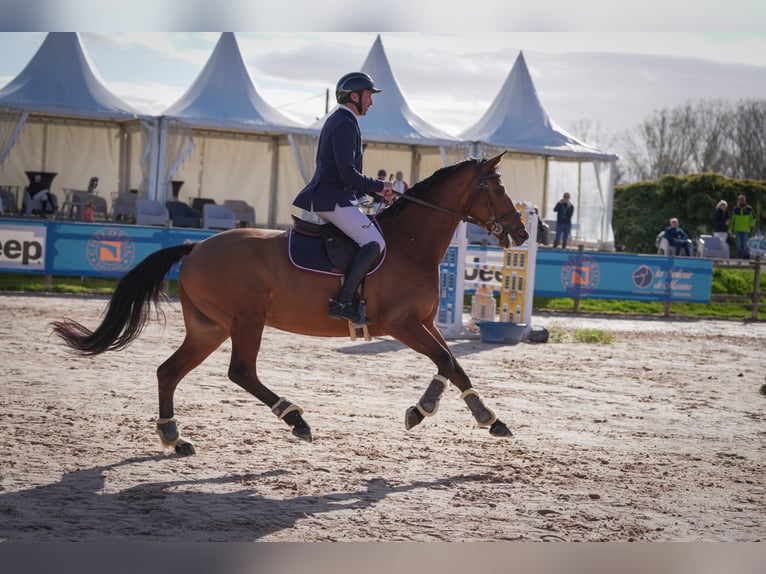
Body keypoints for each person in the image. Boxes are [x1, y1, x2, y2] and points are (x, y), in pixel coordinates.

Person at [293, 71, 394, 324]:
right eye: (369, 96)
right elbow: (347, 174)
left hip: (334, 197)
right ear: (354, 96)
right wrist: (380, 185)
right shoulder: (344, 123)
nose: (371, 102)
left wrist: (377, 189)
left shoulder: (343, 121)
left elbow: (348, 174)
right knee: (374, 242)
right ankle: (343, 301)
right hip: (332, 200)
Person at [729, 194, 756, 259]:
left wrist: (750, 225)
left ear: (745, 201)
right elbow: (732, 220)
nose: (741, 201)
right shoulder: (735, 209)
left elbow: (754, 219)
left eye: (742, 200)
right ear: (738, 201)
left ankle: (743, 257)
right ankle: (739, 257)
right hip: (737, 230)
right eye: (740, 200)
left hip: (746, 230)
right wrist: (730, 230)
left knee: (744, 245)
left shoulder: (749, 209)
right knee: (738, 245)